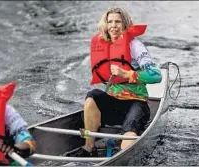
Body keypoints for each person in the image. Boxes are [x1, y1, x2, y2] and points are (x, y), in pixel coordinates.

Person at [66, 7, 162, 157]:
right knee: (92, 97)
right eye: (110, 21)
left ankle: (121, 155)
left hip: (136, 102)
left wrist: (128, 73)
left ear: (125, 24)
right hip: (113, 103)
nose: (113, 25)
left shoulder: (135, 46)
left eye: (117, 21)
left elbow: (156, 76)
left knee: (129, 130)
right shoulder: (103, 44)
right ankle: (89, 147)